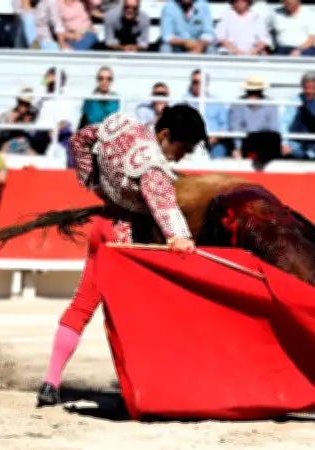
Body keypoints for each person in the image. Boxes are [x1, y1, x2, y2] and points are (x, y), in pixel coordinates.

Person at [36, 103, 208, 407]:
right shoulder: (151, 165)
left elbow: (80, 140)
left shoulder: (123, 126)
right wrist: (180, 238)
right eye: (183, 147)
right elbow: (165, 207)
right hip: (126, 240)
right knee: (135, 316)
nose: (183, 155)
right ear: (165, 134)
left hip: (102, 227)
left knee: (81, 305)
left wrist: (93, 182)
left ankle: (51, 381)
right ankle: (141, 389)